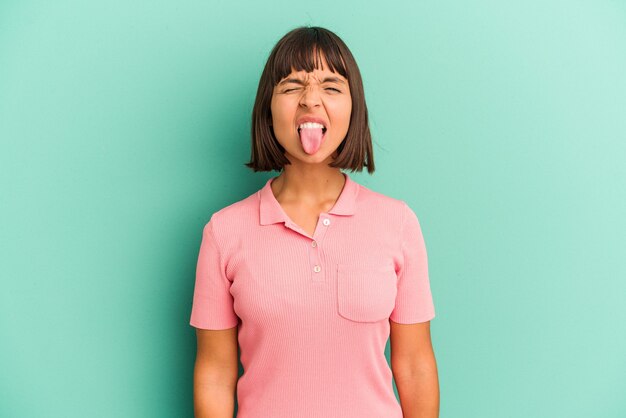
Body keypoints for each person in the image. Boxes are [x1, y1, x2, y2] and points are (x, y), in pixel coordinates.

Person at [190, 26, 439, 418]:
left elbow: (414, 367)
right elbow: (215, 373)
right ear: (267, 108)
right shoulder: (223, 232)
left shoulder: (399, 223)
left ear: (354, 107)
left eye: (331, 86)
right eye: (291, 86)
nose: (311, 100)